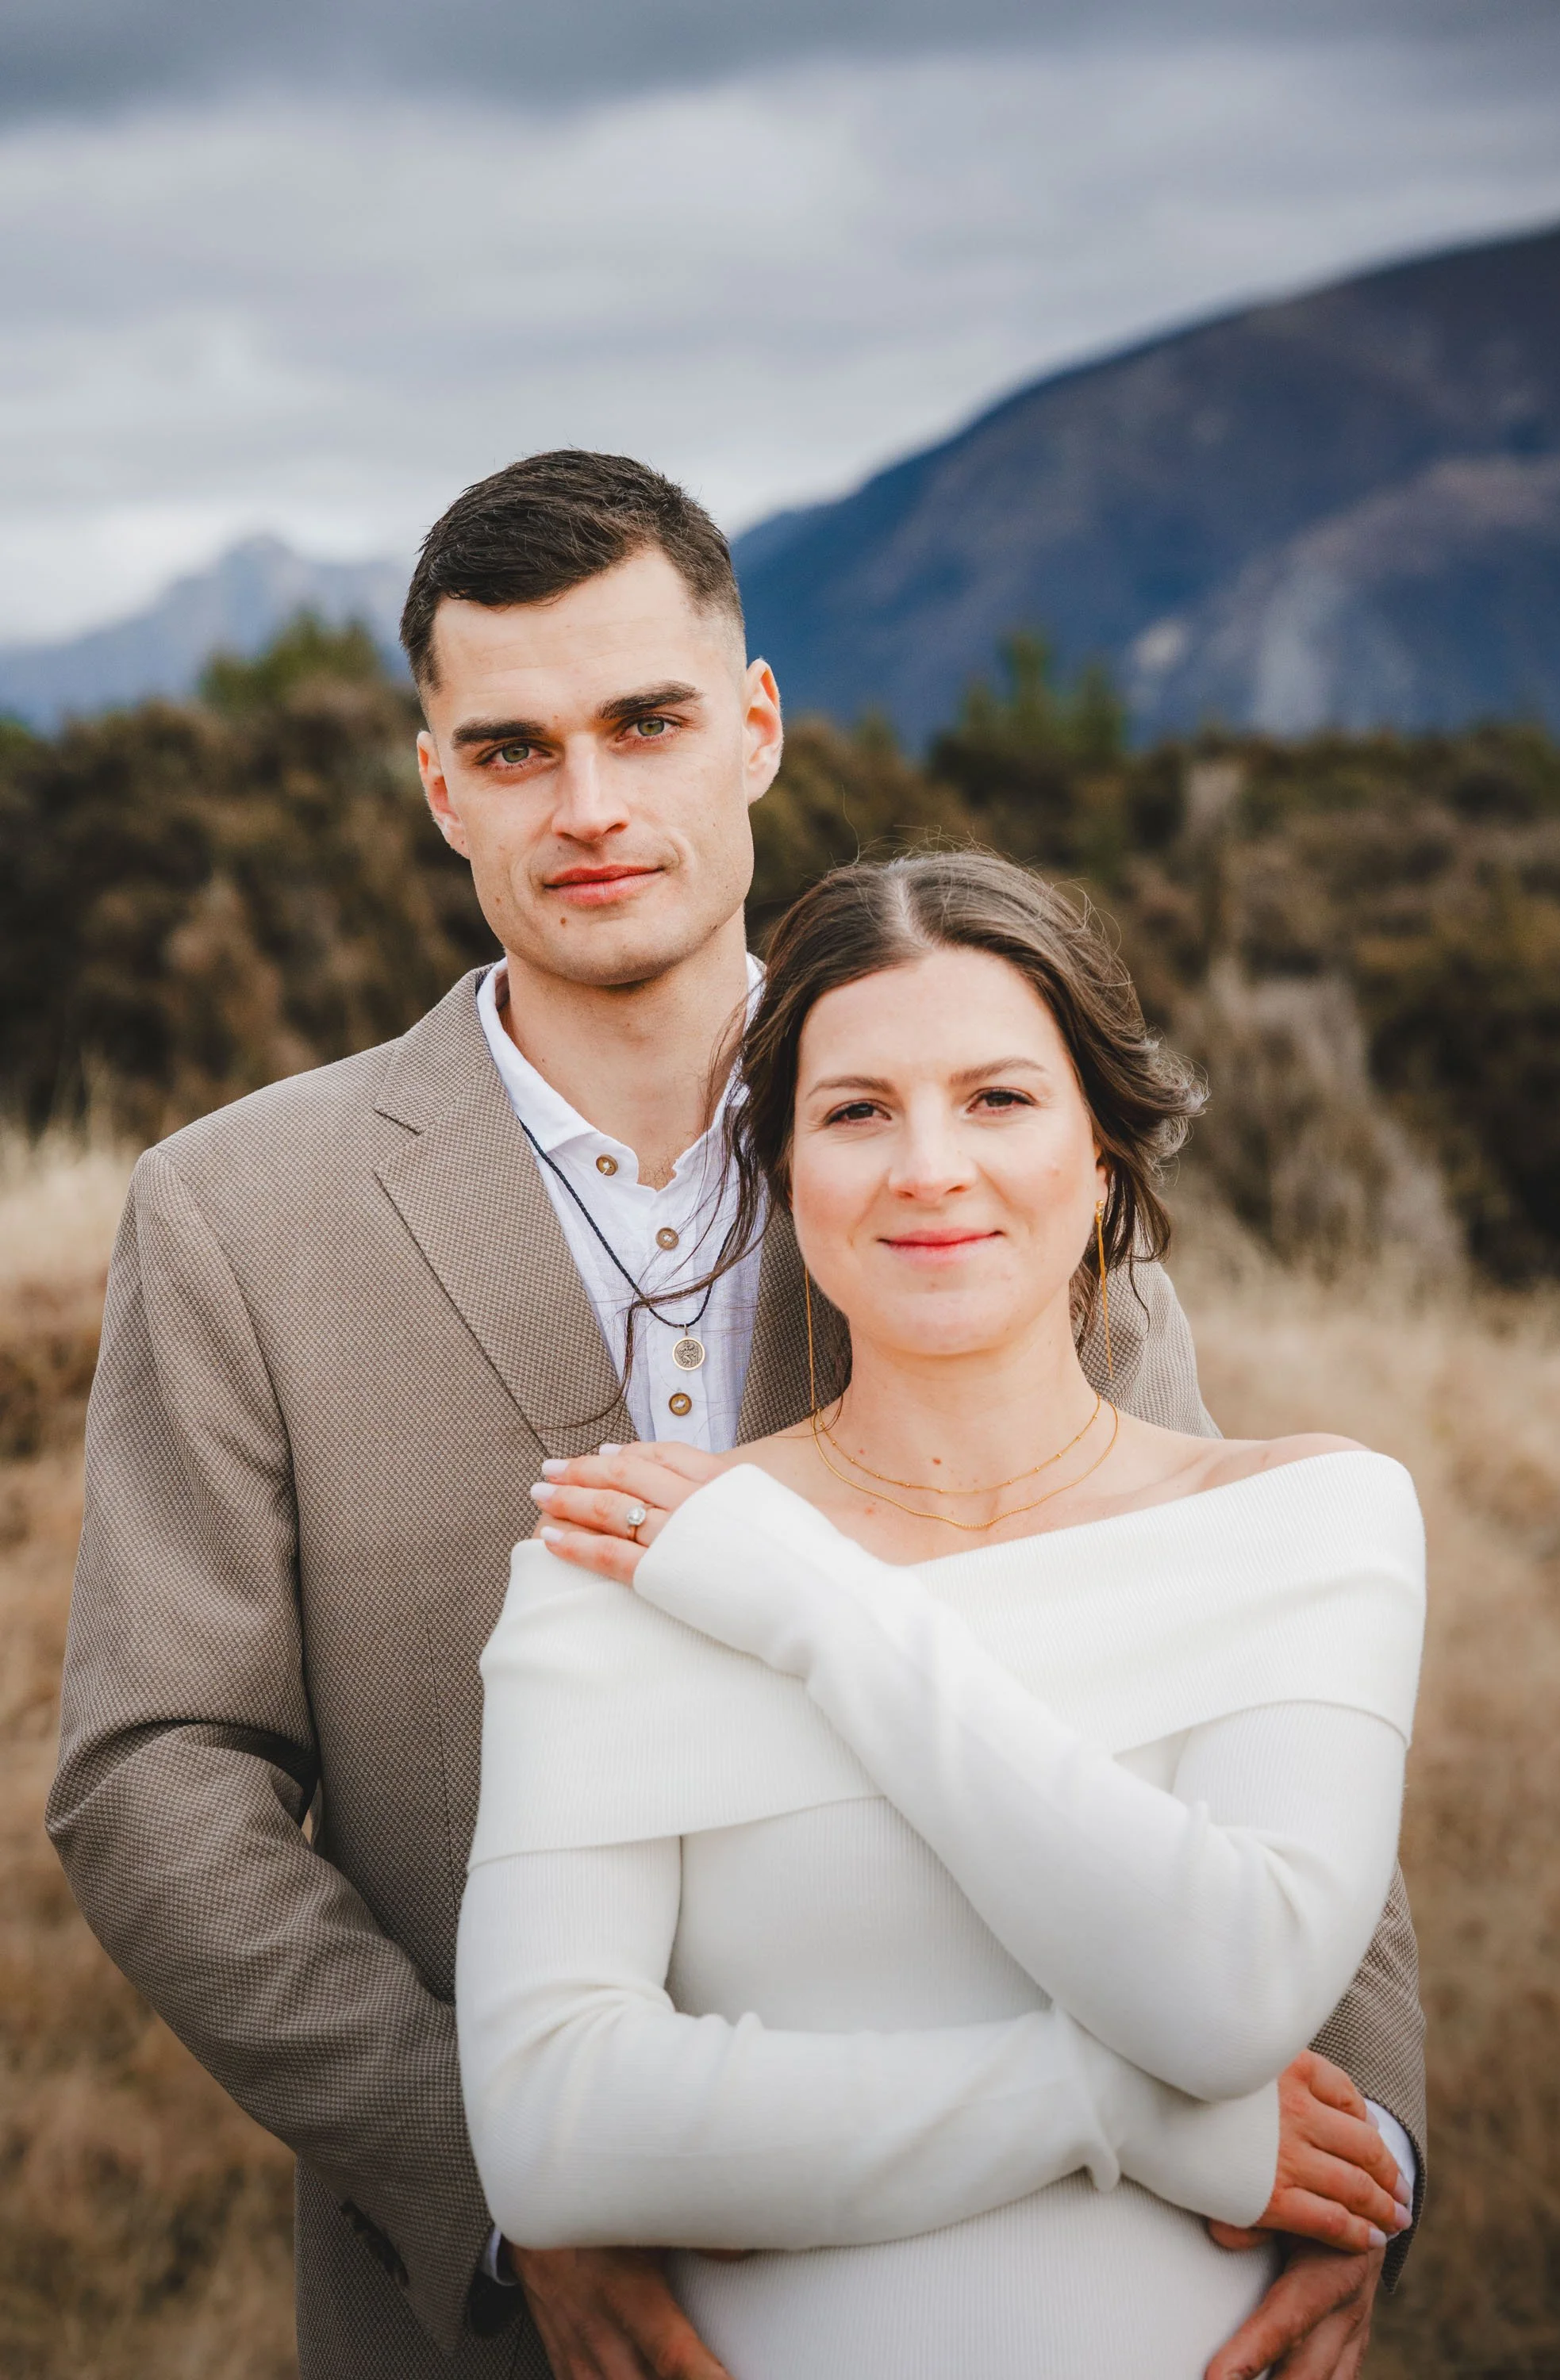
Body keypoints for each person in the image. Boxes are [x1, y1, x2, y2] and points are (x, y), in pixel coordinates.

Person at [48, 452, 1424, 2380]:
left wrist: (1357, 2149)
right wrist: (511, 2186)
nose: (591, 805)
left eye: (647, 721)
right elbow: (156, 1778)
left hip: (1063, 2267)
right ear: (438, 784)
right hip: (487, 2316)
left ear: (755, 729)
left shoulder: (981, 1181)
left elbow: (1245, 1696)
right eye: (515, 749)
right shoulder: (235, 1213)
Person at [459, 850, 1425, 2380]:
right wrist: (1124, 2111)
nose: (929, 1166)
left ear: (1101, 1149)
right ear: (783, 1170)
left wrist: (818, 1606)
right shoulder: (622, 1568)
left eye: (999, 1098)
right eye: (857, 1111)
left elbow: (1232, 1990)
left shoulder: (1311, 1521)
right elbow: (553, 2134)